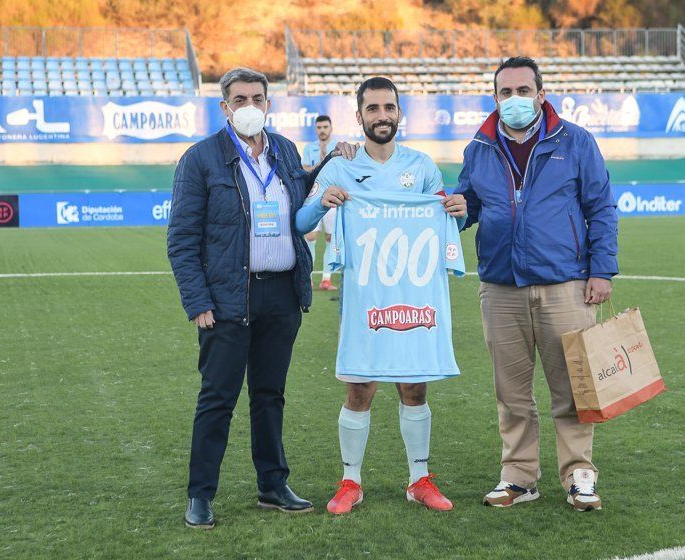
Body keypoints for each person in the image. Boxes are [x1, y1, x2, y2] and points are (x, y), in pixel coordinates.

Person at [167, 67, 355, 529]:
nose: (249, 106)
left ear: (269, 103)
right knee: (218, 398)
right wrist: (198, 301)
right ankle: (200, 494)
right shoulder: (200, 159)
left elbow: (304, 192)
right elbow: (181, 238)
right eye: (239, 99)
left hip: (281, 295)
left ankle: (272, 484)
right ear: (224, 107)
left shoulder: (285, 151)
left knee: (270, 395)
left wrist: (336, 159)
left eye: (257, 98)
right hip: (228, 297)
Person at [295, 77, 467, 515]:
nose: (382, 116)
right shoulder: (339, 167)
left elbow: (443, 217)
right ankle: (350, 481)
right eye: (373, 109)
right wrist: (322, 204)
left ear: (399, 114)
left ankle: (419, 479)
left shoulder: (423, 167)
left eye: (389, 107)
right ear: (359, 117)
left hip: (414, 296)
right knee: (360, 387)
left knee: (414, 387)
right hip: (364, 299)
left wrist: (457, 212)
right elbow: (300, 220)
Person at [454, 57, 619, 511]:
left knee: (572, 387)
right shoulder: (479, 148)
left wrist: (601, 271)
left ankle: (579, 474)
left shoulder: (576, 141)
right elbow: (470, 203)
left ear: (541, 95)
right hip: (500, 286)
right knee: (511, 392)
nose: (514, 100)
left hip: (565, 283)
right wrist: (458, 208)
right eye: (505, 93)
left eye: (522, 90)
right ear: (495, 98)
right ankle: (519, 477)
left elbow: (601, 208)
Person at [301, 115, 339, 291]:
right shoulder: (309, 148)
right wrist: (321, 165)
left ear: (331, 128)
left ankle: (326, 279)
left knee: (331, 237)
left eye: (325, 127)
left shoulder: (339, 147)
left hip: (333, 198)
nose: (322, 130)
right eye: (319, 127)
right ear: (315, 129)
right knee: (310, 237)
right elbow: (305, 169)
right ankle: (307, 278)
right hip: (313, 197)